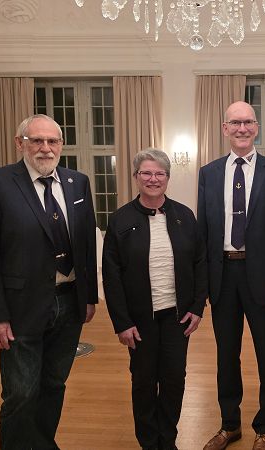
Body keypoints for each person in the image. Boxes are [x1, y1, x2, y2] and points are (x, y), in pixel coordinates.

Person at [0, 114, 98, 449]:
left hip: (69, 302)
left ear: (61, 145)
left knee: (54, 385)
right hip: (20, 308)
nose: (45, 148)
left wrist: (89, 297)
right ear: (20, 143)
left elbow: (86, 244)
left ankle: (42, 444)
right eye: (36, 140)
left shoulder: (78, 183)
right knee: (21, 392)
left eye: (52, 141)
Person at [197, 101, 265, 450]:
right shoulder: (208, 173)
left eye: (248, 122)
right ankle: (230, 425)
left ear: (257, 128)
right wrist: (200, 284)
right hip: (222, 275)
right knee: (226, 356)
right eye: (235, 122)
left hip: (264, 279)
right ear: (225, 128)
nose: (242, 128)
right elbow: (203, 231)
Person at [102, 149, 207, 450]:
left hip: (177, 317)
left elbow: (200, 263)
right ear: (136, 177)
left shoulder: (184, 216)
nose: (153, 179)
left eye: (160, 173)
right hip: (139, 321)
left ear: (168, 178)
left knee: (174, 380)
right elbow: (111, 276)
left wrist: (197, 307)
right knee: (144, 382)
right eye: (146, 173)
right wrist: (122, 322)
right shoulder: (121, 219)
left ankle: (168, 440)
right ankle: (149, 442)